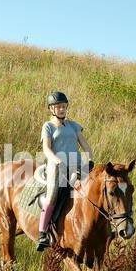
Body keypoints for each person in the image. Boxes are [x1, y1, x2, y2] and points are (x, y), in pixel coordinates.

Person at [37, 90, 94, 251]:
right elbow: (47, 149)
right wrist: (57, 160)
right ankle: (42, 233)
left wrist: (90, 159)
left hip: (76, 167)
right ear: (51, 109)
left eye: (63, 106)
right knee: (52, 195)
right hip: (56, 168)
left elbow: (85, 144)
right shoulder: (47, 126)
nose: (61, 109)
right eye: (58, 107)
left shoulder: (74, 126)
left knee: (89, 193)